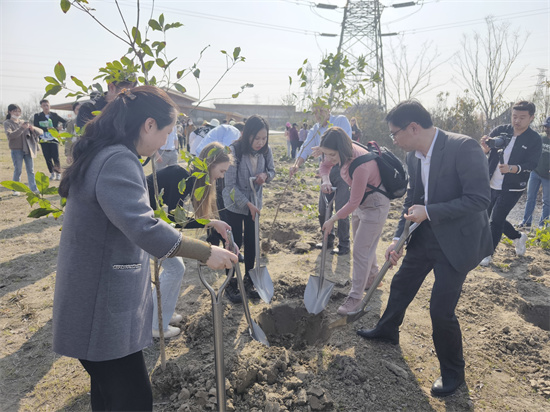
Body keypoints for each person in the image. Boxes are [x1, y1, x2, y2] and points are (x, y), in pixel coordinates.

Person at [53, 86, 237, 412]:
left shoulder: (104, 153)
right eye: (167, 132)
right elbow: (144, 226)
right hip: (103, 308)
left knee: (108, 395)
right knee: (133, 400)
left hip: (96, 299)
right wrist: (206, 252)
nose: (167, 142)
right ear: (149, 125)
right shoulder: (118, 160)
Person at [357, 100, 492, 398]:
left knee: (440, 310)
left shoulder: (463, 148)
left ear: (413, 128)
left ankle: (453, 372)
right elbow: (411, 202)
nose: (394, 140)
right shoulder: (414, 157)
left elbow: (480, 199)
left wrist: (429, 211)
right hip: (425, 234)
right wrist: (398, 238)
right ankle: (388, 330)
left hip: (457, 241)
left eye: (395, 134)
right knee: (402, 282)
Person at [147, 142, 233, 338]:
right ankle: (156, 324)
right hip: (140, 226)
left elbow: (175, 218)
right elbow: (173, 221)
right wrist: (209, 223)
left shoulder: (189, 179)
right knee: (175, 268)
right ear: (209, 165)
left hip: (152, 224)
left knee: (175, 268)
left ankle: (162, 316)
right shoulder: (181, 176)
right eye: (221, 170)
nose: (222, 176)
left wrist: (211, 222)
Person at [319, 127, 390, 315]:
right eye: (326, 154)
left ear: (342, 149)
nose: (330, 158)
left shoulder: (360, 165)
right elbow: (325, 166)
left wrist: (333, 219)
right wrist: (325, 180)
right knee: (364, 244)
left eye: (332, 154)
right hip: (361, 203)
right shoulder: (340, 154)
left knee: (360, 250)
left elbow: (352, 202)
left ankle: (356, 298)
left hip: (374, 205)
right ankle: (372, 278)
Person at [479, 101, 543, 266]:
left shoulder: (534, 139)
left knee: (496, 220)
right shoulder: (501, 130)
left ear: (531, 117)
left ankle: (487, 253)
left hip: (513, 186)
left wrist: (513, 168)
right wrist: (485, 147)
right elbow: (486, 150)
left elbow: (532, 164)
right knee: (488, 218)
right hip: (491, 181)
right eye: (514, 116)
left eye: (522, 117)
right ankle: (518, 237)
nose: (517, 121)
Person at [222, 115, 276, 303]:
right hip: (235, 203)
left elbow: (272, 171)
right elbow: (229, 186)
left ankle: (249, 279)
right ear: (247, 135)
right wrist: (246, 203)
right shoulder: (234, 151)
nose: (260, 142)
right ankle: (230, 281)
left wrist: (265, 176)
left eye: (264, 138)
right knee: (233, 242)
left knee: (253, 242)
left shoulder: (266, 151)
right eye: (257, 138)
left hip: (255, 202)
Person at [290, 101, 353, 255]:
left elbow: (346, 144)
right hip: (325, 169)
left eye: (321, 110)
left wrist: (324, 149)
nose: (318, 114)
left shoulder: (340, 121)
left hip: (343, 168)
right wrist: (296, 164)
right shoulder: (316, 129)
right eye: (315, 111)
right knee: (323, 207)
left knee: (341, 207)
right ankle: (327, 239)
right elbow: (305, 147)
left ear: (328, 109)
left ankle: (344, 244)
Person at [4, 104, 42, 194]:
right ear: (10, 112)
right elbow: (10, 136)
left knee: (31, 170)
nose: (17, 113)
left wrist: (32, 128)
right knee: (18, 170)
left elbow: (40, 132)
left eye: (18, 111)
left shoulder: (23, 122)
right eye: (15, 111)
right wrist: (22, 128)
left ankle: (33, 188)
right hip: (16, 149)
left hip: (28, 149)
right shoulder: (7, 123)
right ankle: (16, 189)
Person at [519, 116, 549, 229]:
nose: (547, 129)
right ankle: (526, 222)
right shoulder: (540, 137)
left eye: (549, 127)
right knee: (530, 198)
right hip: (535, 172)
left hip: (548, 176)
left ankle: (543, 226)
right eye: (546, 126)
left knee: (547, 202)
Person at [33, 99, 67, 180]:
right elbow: (36, 126)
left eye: (47, 105)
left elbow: (65, 121)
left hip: (54, 138)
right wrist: (47, 129)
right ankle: (52, 173)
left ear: (49, 106)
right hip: (43, 139)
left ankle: (58, 173)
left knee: (55, 156)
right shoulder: (37, 116)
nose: (46, 107)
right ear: (41, 106)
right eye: (44, 105)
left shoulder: (54, 115)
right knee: (47, 157)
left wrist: (61, 127)